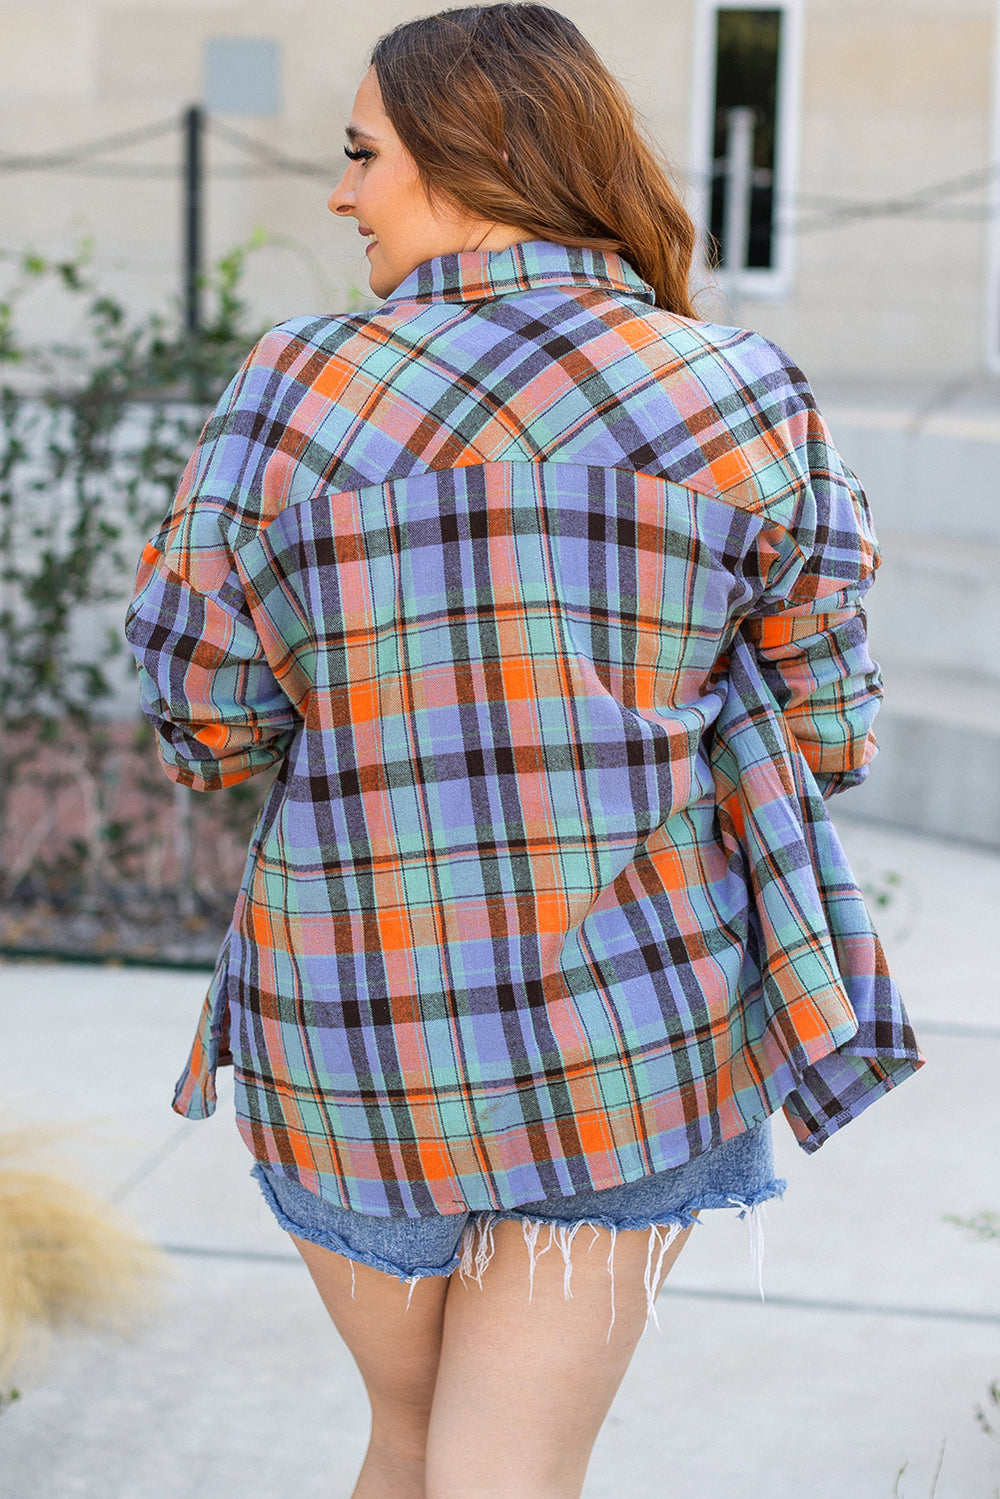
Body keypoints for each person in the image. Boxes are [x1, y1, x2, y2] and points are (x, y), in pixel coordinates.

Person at [125, 6, 922, 1496]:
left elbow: (206, 719)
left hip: (356, 1030)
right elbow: (831, 723)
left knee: (409, 1442)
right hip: (633, 1030)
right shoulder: (738, 386)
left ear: (471, 158)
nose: (343, 194)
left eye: (363, 153)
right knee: (510, 1465)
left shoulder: (295, 386)